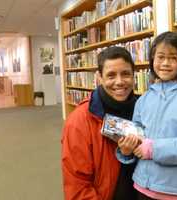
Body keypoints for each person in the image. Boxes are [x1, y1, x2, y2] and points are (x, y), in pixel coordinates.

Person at [117, 31, 177, 200]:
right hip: (142, 186)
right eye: (160, 57)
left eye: (173, 57)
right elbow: (137, 140)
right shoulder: (143, 99)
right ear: (152, 60)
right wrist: (126, 151)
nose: (165, 63)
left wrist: (153, 149)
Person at [61, 46, 139, 200]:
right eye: (111, 76)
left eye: (126, 74)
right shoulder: (79, 121)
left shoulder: (143, 109)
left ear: (133, 75)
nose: (119, 82)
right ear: (99, 77)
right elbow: (77, 187)